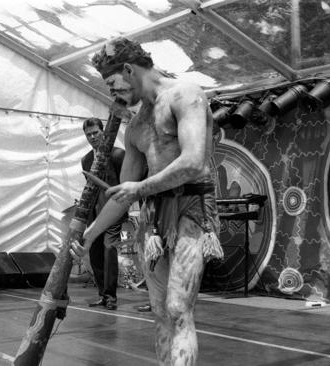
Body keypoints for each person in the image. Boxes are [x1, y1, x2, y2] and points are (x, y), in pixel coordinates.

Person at [71, 37, 222, 366]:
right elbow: (122, 194)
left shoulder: (186, 95)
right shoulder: (137, 126)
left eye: (114, 85)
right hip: (153, 218)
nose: (114, 95)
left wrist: (139, 190)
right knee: (160, 313)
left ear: (129, 69)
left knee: (178, 308)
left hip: (191, 209)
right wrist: (91, 234)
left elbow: (194, 162)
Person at [81, 117, 125, 310]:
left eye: (95, 133)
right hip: (95, 214)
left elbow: (127, 184)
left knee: (109, 249)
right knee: (95, 253)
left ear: (103, 132)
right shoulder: (86, 160)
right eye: (88, 134)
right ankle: (102, 294)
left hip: (113, 212)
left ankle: (111, 297)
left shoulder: (118, 155)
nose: (92, 137)